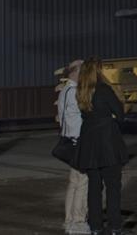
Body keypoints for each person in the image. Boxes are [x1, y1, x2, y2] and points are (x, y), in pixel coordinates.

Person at [75, 58, 127, 235]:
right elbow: (120, 114)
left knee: (94, 188)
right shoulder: (104, 90)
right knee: (113, 187)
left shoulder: (81, 91)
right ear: (98, 70)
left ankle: (96, 227)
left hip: (89, 143)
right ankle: (115, 227)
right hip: (108, 143)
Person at [57, 60, 88, 234]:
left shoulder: (65, 90)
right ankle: (78, 221)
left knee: (74, 182)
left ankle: (69, 220)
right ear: (75, 72)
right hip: (78, 140)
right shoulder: (74, 91)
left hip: (70, 139)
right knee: (82, 182)